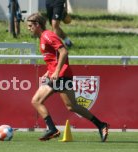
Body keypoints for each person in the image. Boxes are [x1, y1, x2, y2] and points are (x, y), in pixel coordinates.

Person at [26, 13, 109, 142]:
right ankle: (100, 125)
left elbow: (64, 51)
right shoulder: (43, 37)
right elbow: (54, 58)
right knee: (67, 105)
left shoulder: (48, 35)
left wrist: (57, 71)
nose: (28, 28)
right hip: (57, 75)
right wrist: (49, 72)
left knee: (63, 105)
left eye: (30, 25)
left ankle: (53, 129)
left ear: (37, 25)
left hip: (61, 75)